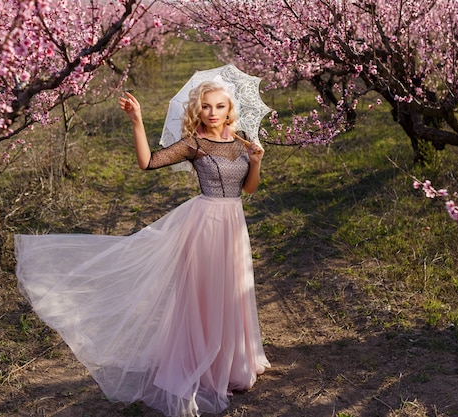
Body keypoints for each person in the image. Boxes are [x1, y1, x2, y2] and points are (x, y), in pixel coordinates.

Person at [15, 81, 270, 417]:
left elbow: (248, 191)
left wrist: (257, 161)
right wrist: (137, 120)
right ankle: (206, 367)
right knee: (206, 295)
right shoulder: (195, 144)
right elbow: (147, 162)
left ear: (229, 110)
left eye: (219, 107)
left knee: (233, 291)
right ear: (199, 109)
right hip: (206, 225)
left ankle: (234, 362)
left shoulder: (241, 144)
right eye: (206, 106)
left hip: (234, 224)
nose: (212, 113)